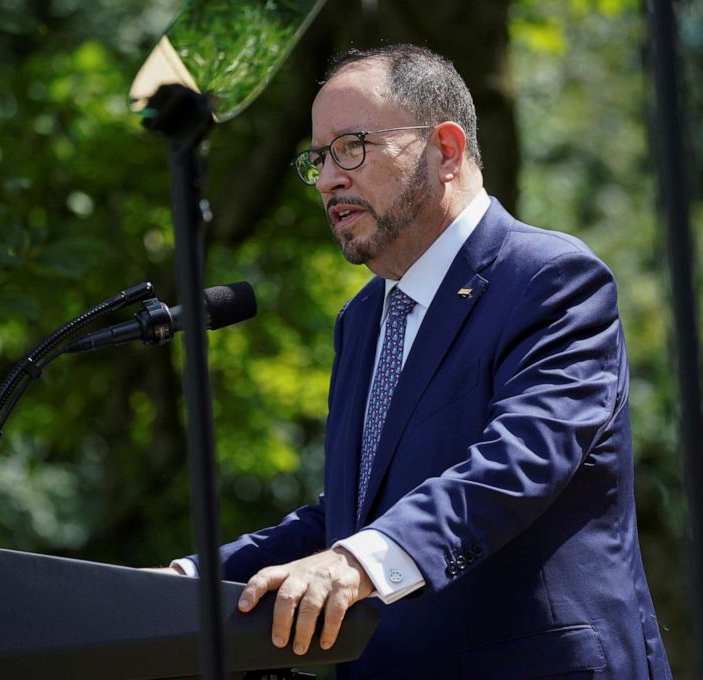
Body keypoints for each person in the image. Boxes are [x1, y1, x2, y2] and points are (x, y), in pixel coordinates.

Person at [163, 44, 673, 679]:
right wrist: (182, 584)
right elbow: (347, 518)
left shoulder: (549, 279)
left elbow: (517, 466)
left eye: (351, 146)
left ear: (447, 151)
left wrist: (355, 563)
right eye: (318, 158)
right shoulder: (362, 321)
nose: (326, 179)